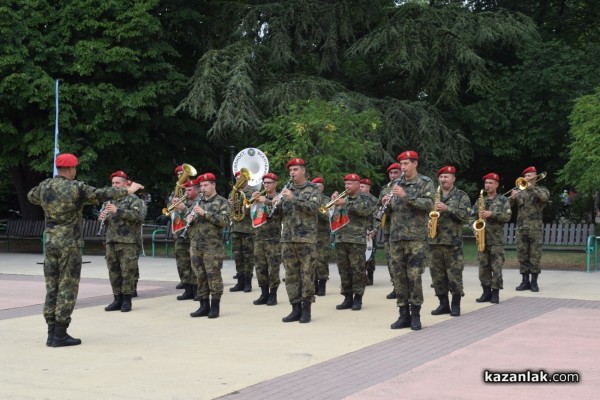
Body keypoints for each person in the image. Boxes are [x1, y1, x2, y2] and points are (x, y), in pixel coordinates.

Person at [27, 153, 144, 347]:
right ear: (72, 169)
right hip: (70, 244)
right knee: (67, 287)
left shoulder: (44, 186)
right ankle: (60, 333)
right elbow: (101, 194)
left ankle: (51, 332)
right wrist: (128, 190)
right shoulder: (77, 188)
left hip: (50, 243)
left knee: (52, 287)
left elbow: (31, 196)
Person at [387, 151, 434, 331]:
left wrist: (406, 196)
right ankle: (403, 314)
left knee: (414, 277)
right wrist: (386, 202)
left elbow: (429, 204)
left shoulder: (425, 182)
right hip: (396, 237)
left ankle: (415, 315)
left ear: (415, 164)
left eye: (406, 164)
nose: (403, 167)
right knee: (399, 277)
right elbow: (389, 209)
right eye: (401, 164)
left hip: (415, 238)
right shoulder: (394, 184)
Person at [271, 158, 321, 323]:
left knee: (307, 275)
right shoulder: (286, 190)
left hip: (306, 239)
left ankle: (306, 309)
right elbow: (279, 216)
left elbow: (314, 209)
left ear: (303, 171)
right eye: (291, 170)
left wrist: (293, 198)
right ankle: (295, 308)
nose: (292, 173)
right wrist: (274, 205)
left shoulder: (313, 189)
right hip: (288, 239)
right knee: (291, 275)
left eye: (296, 169)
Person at [101, 171, 147, 313]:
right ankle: (117, 299)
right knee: (113, 271)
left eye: (118, 183)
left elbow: (139, 216)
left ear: (126, 184)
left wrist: (117, 211)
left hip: (128, 242)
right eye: (113, 183)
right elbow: (105, 217)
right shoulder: (109, 200)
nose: (115, 186)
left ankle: (127, 300)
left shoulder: (135, 200)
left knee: (128, 272)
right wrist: (103, 216)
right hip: (111, 240)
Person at [186, 173, 231, 319]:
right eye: (201, 186)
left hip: (212, 246)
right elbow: (191, 222)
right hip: (196, 245)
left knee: (213, 276)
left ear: (213, 185)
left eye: (206, 185)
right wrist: (189, 218)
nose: (203, 189)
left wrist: (206, 214)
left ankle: (215, 306)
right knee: (200, 276)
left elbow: (224, 221)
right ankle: (203, 305)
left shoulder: (222, 202)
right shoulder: (196, 202)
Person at [428, 166, 471, 317]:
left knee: (454, 275)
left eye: (447, 176)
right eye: (441, 177)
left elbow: (465, 216)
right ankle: (443, 304)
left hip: (453, 242)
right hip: (434, 241)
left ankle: (456, 304)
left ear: (453, 179)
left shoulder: (461, 196)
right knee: (437, 276)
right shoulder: (433, 195)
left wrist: (447, 208)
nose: (443, 179)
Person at [332, 174, 376, 311]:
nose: (347, 187)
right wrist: (335, 204)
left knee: (357, 270)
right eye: (345, 184)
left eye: (350, 184)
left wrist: (345, 203)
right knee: (343, 270)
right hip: (341, 238)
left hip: (356, 240)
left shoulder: (365, 198)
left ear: (357, 184)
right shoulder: (343, 198)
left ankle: (358, 298)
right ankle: (347, 297)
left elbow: (365, 211)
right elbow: (334, 217)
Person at [472, 173, 512, 304]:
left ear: (496, 184)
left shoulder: (503, 200)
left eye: (490, 183)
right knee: (483, 267)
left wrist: (492, 214)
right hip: (482, 239)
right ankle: (486, 292)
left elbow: (507, 217)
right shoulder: (480, 201)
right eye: (486, 183)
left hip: (496, 240)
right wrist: (475, 230)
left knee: (496, 267)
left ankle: (495, 293)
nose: (487, 185)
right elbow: (472, 217)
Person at [511, 166, 550, 292]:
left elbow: (544, 198)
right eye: (526, 176)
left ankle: (534, 282)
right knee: (522, 255)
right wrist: (512, 198)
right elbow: (509, 208)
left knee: (535, 255)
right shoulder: (519, 191)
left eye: (530, 175)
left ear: (535, 176)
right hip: (521, 228)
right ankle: (525, 281)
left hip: (535, 228)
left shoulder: (542, 190)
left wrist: (531, 186)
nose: (527, 178)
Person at [251, 172, 282, 306]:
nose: (266, 185)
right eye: (265, 183)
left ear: (275, 184)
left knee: (273, 268)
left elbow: (281, 212)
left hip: (273, 239)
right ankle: (264, 293)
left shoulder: (279, 197)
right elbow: (252, 216)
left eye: (269, 183)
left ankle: (273, 294)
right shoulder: (259, 197)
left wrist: (267, 201)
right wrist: (253, 202)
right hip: (259, 238)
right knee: (260, 267)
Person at [374, 163, 404, 299]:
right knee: (390, 260)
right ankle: (396, 287)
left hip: (402, 229)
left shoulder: (405, 186)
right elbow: (379, 208)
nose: (393, 175)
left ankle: (404, 287)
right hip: (388, 229)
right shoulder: (385, 189)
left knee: (402, 260)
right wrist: (383, 202)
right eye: (391, 173)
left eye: (396, 172)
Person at [172, 179, 201, 300]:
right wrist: (174, 207)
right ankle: (187, 289)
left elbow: (195, 217)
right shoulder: (184, 202)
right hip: (181, 237)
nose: (186, 192)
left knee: (195, 265)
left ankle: (197, 290)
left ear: (197, 190)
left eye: (189, 190)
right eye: (185, 190)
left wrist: (183, 208)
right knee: (182, 264)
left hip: (194, 237)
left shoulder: (200, 202)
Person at [229, 171, 256, 293]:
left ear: (246, 179)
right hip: (235, 228)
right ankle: (240, 282)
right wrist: (231, 205)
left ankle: (248, 283)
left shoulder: (252, 192)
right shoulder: (233, 192)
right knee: (238, 256)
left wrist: (244, 207)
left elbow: (256, 211)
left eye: (240, 178)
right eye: (237, 178)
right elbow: (229, 211)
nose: (238, 180)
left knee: (248, 257)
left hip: (248, 229)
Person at [311, 177, 330, 296]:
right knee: (311, 260)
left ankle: (322, 283)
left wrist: (316, 209)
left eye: (320, 186)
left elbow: (328, 216)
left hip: (322, 234)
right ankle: (314, 284)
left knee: (322, 260)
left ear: (323, 187)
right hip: (310, 234)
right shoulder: (310, 199)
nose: (317, 188)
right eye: (315, 186)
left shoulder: (327, 200)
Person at [359, 178, 378, 285]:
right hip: (358, 230)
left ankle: (370, 277)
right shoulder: (356, 198)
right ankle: (360, 277)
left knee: (370, 255)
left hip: (370, 230)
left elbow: (377, 217)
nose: (360, 188)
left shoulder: (374, 201)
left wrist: (374, 230)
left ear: (368, 188)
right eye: (359, 186)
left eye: (362, 186)